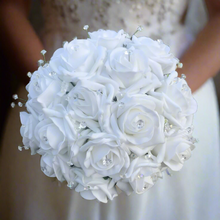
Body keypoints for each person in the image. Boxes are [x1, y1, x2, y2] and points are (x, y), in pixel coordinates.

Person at [0, 0, 220, 219]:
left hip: (178, 83)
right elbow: (9, 7)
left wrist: (164, 100)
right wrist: (52, 90)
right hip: (52, 95)